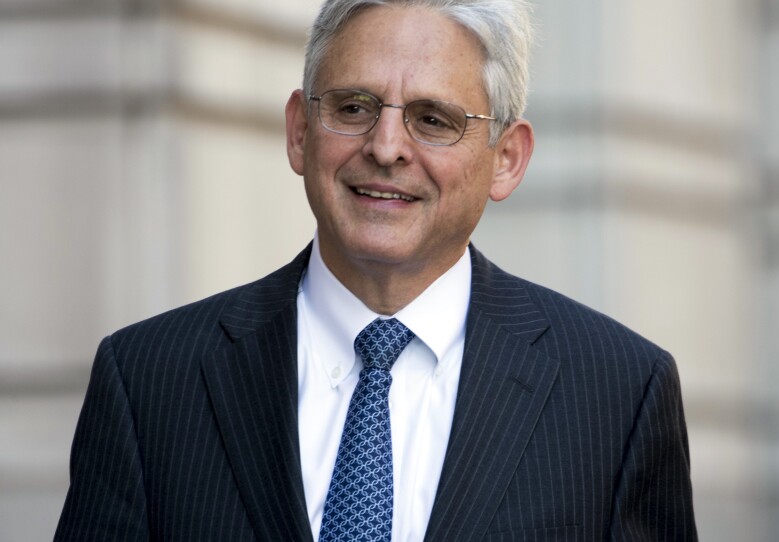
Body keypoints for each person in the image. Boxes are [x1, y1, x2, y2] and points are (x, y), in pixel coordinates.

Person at [55, 0, 697, 540]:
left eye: (433, 120)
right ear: (300, 132)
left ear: (506, 159)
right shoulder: (148, 380)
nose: (386, 147)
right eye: (354, 107)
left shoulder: (618, 394)